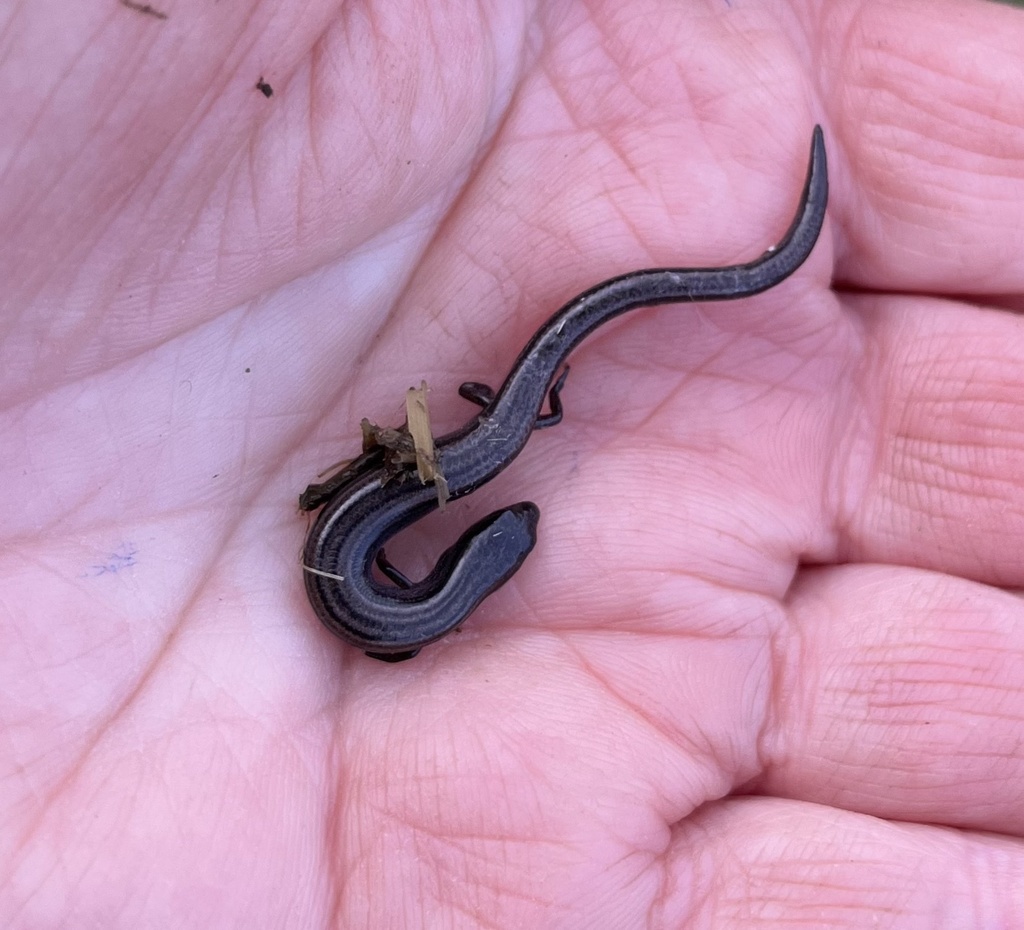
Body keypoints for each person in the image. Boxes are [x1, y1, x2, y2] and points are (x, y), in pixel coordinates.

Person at [4, 1, 1024, 925]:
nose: (513, 525)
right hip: (402, 509)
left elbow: (392, 601)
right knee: (471, 451)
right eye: (503, 534)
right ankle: (626, 340)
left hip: (414, 499)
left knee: (475, 449)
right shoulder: (405, 617)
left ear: (478, 552)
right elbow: (387, 619)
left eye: (506, 532)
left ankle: (576, 373)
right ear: (463, 562)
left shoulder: (419, 606)